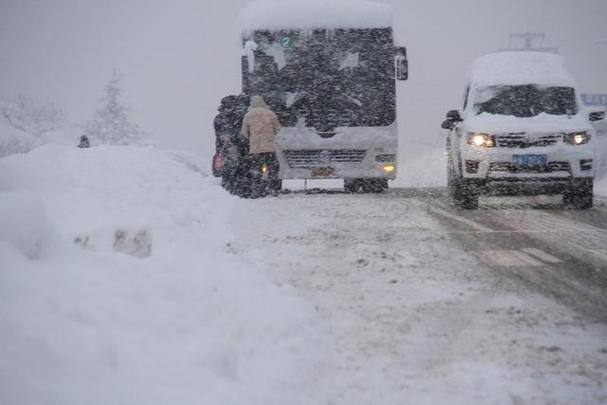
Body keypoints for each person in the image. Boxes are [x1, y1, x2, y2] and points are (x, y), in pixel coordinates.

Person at [241, 95, 281, 196]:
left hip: (255, 148)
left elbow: (244, 132)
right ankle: (273, 188)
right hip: (269, 147)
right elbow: (277, 128)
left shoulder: (248, 115)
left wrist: (252, 136)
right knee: (273, 168)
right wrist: (270, 135)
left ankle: (257, 189)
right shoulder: (270, 114)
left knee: (256, 169)